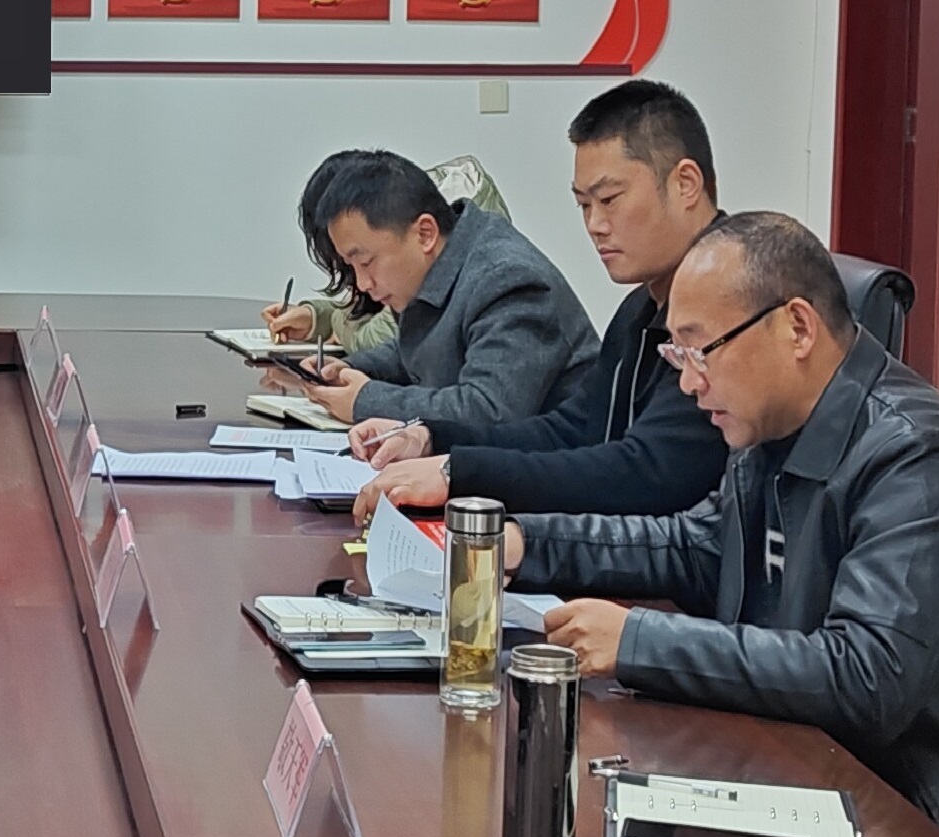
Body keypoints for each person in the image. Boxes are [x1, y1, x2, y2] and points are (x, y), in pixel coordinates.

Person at [511, 209, 939, 837]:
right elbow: (696, 547)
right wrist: (523, 541)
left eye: (702, 350)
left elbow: (865, 676)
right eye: (677, 353)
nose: (688, 382)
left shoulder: (916, 457)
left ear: (797, 327)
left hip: (904, 810)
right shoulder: (769, 425)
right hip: (791, 751)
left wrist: (635, 641)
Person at [350, 81, 732, 521]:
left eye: (609, 199)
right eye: (584, 205)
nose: (595, 224)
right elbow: (574, 430)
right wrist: (431, 438)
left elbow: (646, 474)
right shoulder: (639, 309)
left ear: (686, 183)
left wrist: (460, 473)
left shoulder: (730, 306)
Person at [263, 149, 588, 437]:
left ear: (425, 234)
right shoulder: (441, 263)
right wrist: (352, 369)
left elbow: (488, 412)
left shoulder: (508, 280)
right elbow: (420, 350)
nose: (362, 283)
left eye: (366, 262)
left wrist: (365, 400)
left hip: (554, 472)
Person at [265, 152, 512, 353]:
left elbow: (381, 340)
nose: (361, 284)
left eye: (363, 261)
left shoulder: (500, 282)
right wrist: (318, 317)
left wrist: (361, 392)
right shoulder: (419, 233)